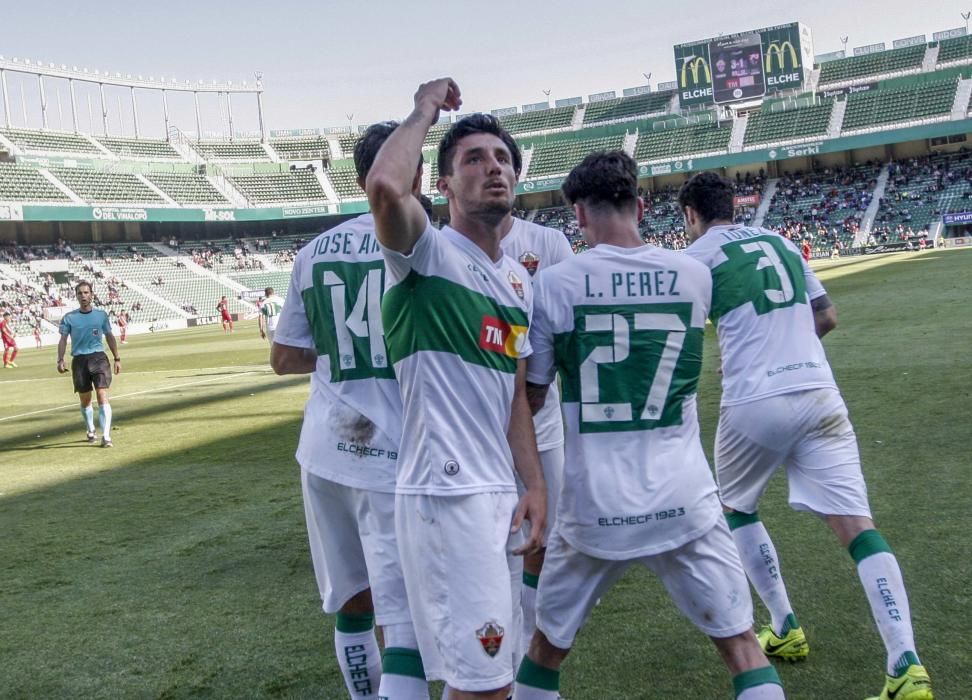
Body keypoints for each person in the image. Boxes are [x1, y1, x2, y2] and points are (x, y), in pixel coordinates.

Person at [514, 153, 784, 700]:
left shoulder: (557, 285)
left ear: (579, 216)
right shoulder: (693, 273)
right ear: (639, 206)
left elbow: (532, 396)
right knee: (740, 646)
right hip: (683, 495)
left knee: (543, 652)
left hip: (594, 505)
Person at [680, 171, 933, 700]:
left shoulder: (696, 256)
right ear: (733, 204)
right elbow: (829, 316)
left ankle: (785, 624)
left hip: (755, 399)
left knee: (738, 508)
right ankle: (905, 663)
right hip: (820, 392)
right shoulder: (782, 241)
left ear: (690, 214)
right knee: (860, 529)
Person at [366, 80, 546, 700]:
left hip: (496, 492)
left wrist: (536, 486)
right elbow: (386, 188)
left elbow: (516, 398)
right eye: (473, 159)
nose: (493, 167)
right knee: (486, 687)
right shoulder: (427, 254)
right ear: (442, 186)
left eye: (501, 158)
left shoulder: (517, 285)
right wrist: (422, 110)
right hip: (448, 492)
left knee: (484, 681)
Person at [271, 122, 430, 700]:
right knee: (404, 619)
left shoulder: (313, 251)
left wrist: (343, 353)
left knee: (352, 604)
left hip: (322, 449)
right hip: (389, 452)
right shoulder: (420, 239)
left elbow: (284, 356)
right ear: (409, 170)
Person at [498, 211, 571, 660]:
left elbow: (562, 328)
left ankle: (529, 661)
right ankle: (497, 667)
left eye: (502, 159)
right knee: (493, 550)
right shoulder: (445, 249)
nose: (493, 171)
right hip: (476, 435)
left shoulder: (548, 242)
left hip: (540, 429)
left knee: (542, 544)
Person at [57, 281, 121, 448]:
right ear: (76, 296)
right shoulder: (69, 318)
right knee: (85, 400)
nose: (83, 296)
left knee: (102, 395)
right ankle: (90, 427)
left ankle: (106, 436)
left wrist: (117, 358)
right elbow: (63, 339)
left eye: (86, 292)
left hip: (99, 358)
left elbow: (109, 336)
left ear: (91, 294)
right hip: (79, 361)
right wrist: (60, 358)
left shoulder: (101, 315)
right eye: (80, 293)